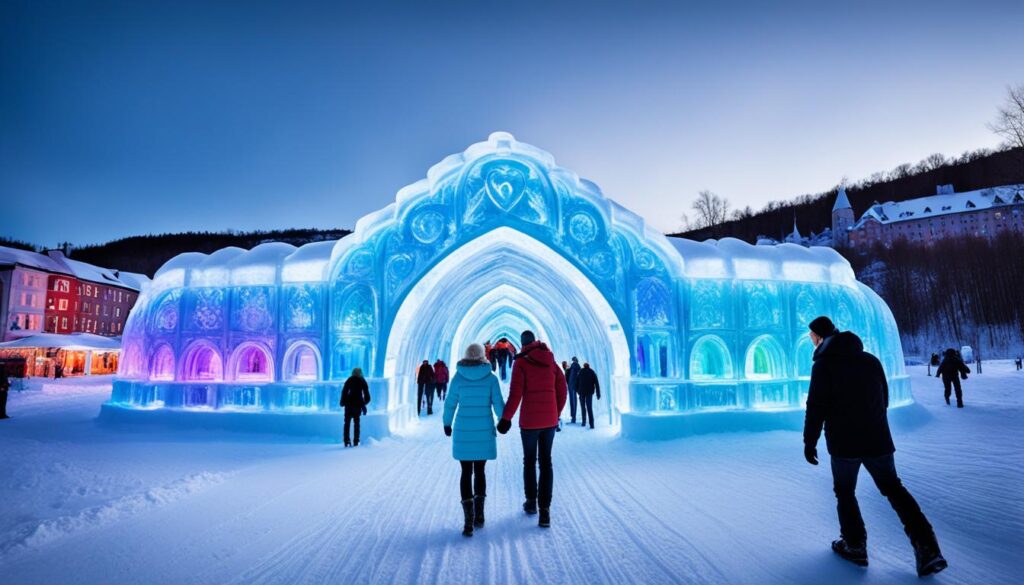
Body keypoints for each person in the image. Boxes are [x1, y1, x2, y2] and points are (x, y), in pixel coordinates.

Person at [803, 316, 946, 577]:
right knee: (894, 489)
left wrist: (809, 442)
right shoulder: (870, 360)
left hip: (844, 444)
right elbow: (885, 398)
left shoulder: (824, 365)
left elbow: (816, 407)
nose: (810, 340)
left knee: (845, 493)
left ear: (820, 336)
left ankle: (855, 545)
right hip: (878, 439)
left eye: (811, 335)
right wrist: (873, 426)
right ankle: (928, 548)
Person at [497, 330, 567, 528]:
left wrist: (505, 419)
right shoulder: (551, 362)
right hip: (549, 422)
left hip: (529, 423)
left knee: (529, 461)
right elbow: (562, 390)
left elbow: (515, 394)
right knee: (546, 463)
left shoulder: (521, 362)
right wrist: (555, 412)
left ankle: (531, 503)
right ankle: (545, 511)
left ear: (522, 344)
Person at [443, 343, 505, 537]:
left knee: (465, 472)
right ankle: (479, 514)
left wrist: (447, 423)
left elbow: (450, 403)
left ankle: (467, 521)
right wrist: (503, 421)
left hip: (463, 431)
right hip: (483, 431)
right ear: (482, 356)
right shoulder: (491, 378)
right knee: (480, 471)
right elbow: (498, 405)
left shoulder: (458, 378)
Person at [340, 368, 371, 447]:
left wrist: (343, 402)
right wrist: (364, 403)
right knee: (356, 423)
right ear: (360, 373)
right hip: (357, 404)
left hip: (348, 404)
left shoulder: (349, 380)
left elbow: (344, 391)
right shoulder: (362, 381)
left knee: (347, 423)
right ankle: (356, 441)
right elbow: (366, 394)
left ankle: (346, 440)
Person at [576, 362, 600, 429]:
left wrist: (577, 391)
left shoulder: (580, 371)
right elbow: (596, 383)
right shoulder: (592, 372)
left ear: (584, 366)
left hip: (581, 392)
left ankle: (583, 422)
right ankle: (591, 424)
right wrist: (598, 394)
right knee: (589, 408)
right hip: (589, 392)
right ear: (588, 366)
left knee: (583, 407)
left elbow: (576, 382)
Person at [566, 357, 581, 424]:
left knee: (572, 401)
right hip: (574, 386)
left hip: (570, 385)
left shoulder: (572, 367)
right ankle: (573, 417)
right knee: (574, 401)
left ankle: (573, 417)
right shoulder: (577, 366)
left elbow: (567, 376)